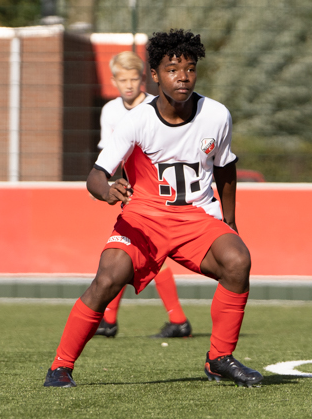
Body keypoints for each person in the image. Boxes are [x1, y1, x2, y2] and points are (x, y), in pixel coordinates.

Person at [44, 29, 262, 388]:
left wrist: (230, 220)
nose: (183, 77)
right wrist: (108, 190)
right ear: (156, 75)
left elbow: (225, 166)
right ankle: (60, 366)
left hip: (197, 218)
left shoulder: (217, 115)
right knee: (106, 280)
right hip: (144, 218)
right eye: (173, 70)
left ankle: (219, 359)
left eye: (190, 69)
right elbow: (96, 176)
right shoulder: (137, 121)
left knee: (238, 261)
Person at [94, 50, 192, 340]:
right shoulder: (110, 111)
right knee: (132, 252)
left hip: (153, 190)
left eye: (133, 78)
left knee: (142, 253)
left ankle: (173, 320)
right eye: (122, 79)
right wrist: (105, 185)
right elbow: (109, 153)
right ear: (113, 81)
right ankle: (116, 320)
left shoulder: (155, 106)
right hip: (127, 189)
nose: (128, 85)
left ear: (144, 80)